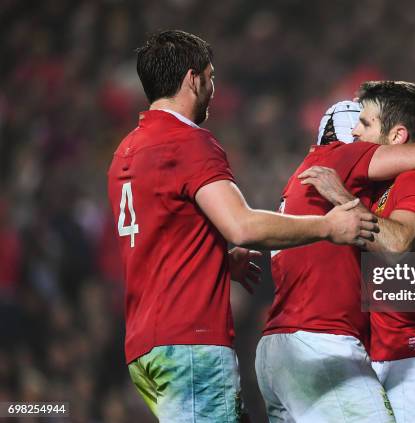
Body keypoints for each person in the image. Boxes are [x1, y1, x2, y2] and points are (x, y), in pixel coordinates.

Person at [106, 30, 379, 423]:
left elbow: (160, 235)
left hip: (145, 347)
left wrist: (211, 260)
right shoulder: (187, 142)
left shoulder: (125, 153)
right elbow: (242, 225)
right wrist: (328, 226)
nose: (213, 89)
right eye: (211, 76)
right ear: (192, 79)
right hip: (191, 342)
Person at [255, 96, 415, 422]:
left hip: (278, 351)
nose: (364, 134)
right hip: (321, 342)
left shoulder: (296, 183)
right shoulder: (343, 155)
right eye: (363, 126)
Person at [300, 81, 415, 423]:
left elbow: (398, 245)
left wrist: (343, 198)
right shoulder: (386, 185)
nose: (355, 131)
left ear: (397, 135)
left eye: (365, 123)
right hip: (392, 355)